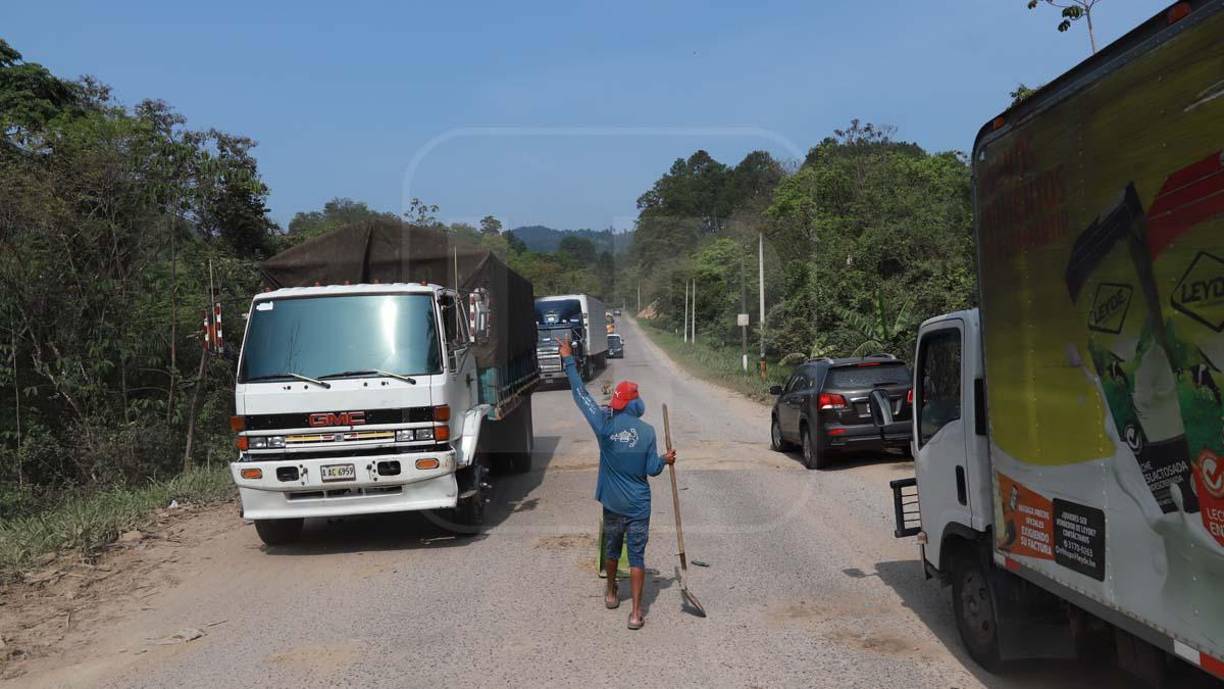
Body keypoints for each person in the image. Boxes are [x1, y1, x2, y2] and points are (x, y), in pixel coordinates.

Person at [557, 337, 676, 630]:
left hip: (613, 503)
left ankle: (611, 591)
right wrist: (665, 459)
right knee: (637, 555)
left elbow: (580, 394)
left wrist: (568, 360)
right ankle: (636, 613)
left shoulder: (604, 425)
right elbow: (652, 469)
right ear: (636, 404)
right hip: (638, 505)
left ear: (618, 404)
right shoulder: (647, 432)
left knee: (612, 549)